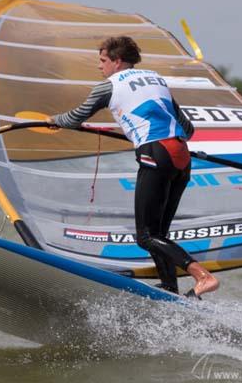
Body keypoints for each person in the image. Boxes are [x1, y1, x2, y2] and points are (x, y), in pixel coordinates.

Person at [47, 36, 219, 298]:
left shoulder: (107, 87)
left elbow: (74, 119)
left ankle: (201, 276)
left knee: (146, 236)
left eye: (103, 60)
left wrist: (53, 120)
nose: (100, 67)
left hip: (156, 153)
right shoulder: (156, 80)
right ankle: (170, 288)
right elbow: (188, 129)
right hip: (181, 157)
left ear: (117, 61)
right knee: (159, 233)